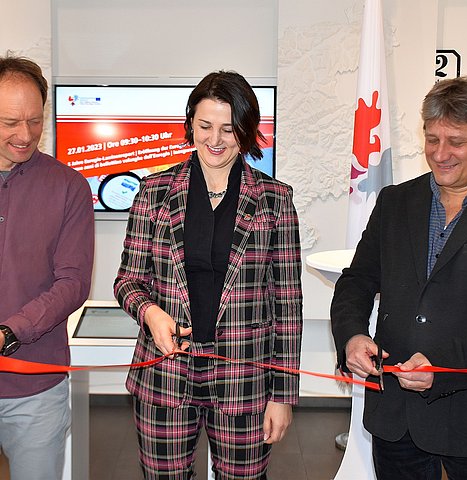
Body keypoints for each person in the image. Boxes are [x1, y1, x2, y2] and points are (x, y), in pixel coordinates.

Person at [114, 70, 303, 479]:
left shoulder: (275, 200)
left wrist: (283, 396)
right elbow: (127, 281)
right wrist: (150, 313)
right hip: (165, 373)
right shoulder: (154, 191)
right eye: (205, 126)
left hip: (244, 380)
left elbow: (287, 306)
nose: (215, 140)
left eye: (229, 129)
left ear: (247, 131)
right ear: (190, 125)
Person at [330, 75, 467, 480]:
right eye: (432, 139)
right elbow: (357, 281)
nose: (441, 153)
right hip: (396, 421)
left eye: (457, 141)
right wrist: (352, 336)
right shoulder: (395, 202)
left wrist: (445, 366)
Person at [0, 54, 95, 479]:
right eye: (9, 123)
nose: (25, 135)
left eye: (35, 121)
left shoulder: (68, 187)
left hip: (35, 389)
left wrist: (10, 331)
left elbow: (73, 283)